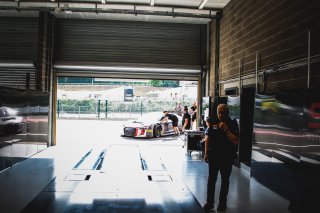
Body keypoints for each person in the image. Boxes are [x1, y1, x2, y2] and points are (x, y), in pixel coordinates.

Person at [203, 104, 239, 212]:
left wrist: (226, 129)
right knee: (211, 180)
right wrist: (206, 153)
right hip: (214, 156)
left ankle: (222, 203)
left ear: (227, 112)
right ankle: (210, 203)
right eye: (219, 112)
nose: (221, 114)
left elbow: (234, 140)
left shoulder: (233, 124)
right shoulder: (213, 122)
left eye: (223, 112)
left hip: (227, 157)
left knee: (225, 180)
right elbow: (208, 138)